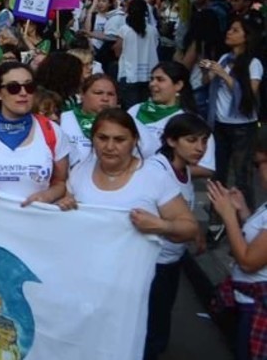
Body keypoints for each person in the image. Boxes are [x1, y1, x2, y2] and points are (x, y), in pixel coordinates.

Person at [57, 110, 198, 355]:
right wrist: (65, 207)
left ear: (135, 141)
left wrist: (161, 226)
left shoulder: (153, 177)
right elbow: (68, 217)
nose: (110, 146)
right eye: (102, 138)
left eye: (119, 140)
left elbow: (189, 227)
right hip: (87, 285)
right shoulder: (80, 172)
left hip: (133, 289)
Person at [0, 62, 69, 205]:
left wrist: (48, 195)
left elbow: (60, 182)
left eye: (29, 86)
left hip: (35, 222)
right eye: (13, 88)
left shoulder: (52, 131)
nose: (23, 93)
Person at [145, 114, 211, 360]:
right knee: (150, 326)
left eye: (204, 141)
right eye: (192, 140)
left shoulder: (183, 170)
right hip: (154, 263)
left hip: (172, 261)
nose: (200, 148)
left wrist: (195, 234)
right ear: (172, 141)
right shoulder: (156, 171)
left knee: (160, 320)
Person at [208, 134, 267, 360]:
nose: (257, 171)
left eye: (259, 164)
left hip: (257, 308)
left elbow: (248, 261)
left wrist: (228, 216)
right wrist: (243, 211)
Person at [204, 17, 263, 204]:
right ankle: (216, 220)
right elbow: (207, 82)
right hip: (219, 124)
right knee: (217, 173)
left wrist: (223, 74)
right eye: (230, 29)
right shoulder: (224, 58)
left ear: (246, 37)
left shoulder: (254, 64)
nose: (229, 32)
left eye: (235, 30)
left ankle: (246, 220)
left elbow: (249, 95)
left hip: (243, 127)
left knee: (241, 177)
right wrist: (208, 70)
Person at [128, 62, 216, 177]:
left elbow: (206, 168)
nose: (152, 84)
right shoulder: (135, 110)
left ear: (178, 85)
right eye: (152, 79)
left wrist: (161, 171)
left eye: (160, 80)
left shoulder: (191, 120)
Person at [59, 74, 119, 167]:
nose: (105, 99)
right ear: (82, 95)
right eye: (98, 93)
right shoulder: (63, 119)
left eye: (110, 94)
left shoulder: (125, 123)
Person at [116, 0, 160, 109]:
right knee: (145, 109)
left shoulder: (124, 30)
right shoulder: (153, 30)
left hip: (129, 74)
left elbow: (118, 51)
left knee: (131, 110)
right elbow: (156, 46)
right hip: (148, 74)